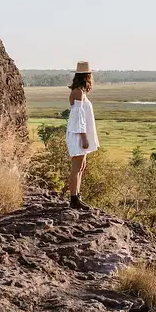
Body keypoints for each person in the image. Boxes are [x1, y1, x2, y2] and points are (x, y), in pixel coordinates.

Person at [66, 60, 99, 210]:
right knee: (76, 167)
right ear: (87, 76)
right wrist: (84, 137)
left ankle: (77, 196)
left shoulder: (80, 91)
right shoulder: (78, 92)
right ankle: (73, 199)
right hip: (78, 134)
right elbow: (78, 117)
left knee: (81, 166)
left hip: (80, 133)